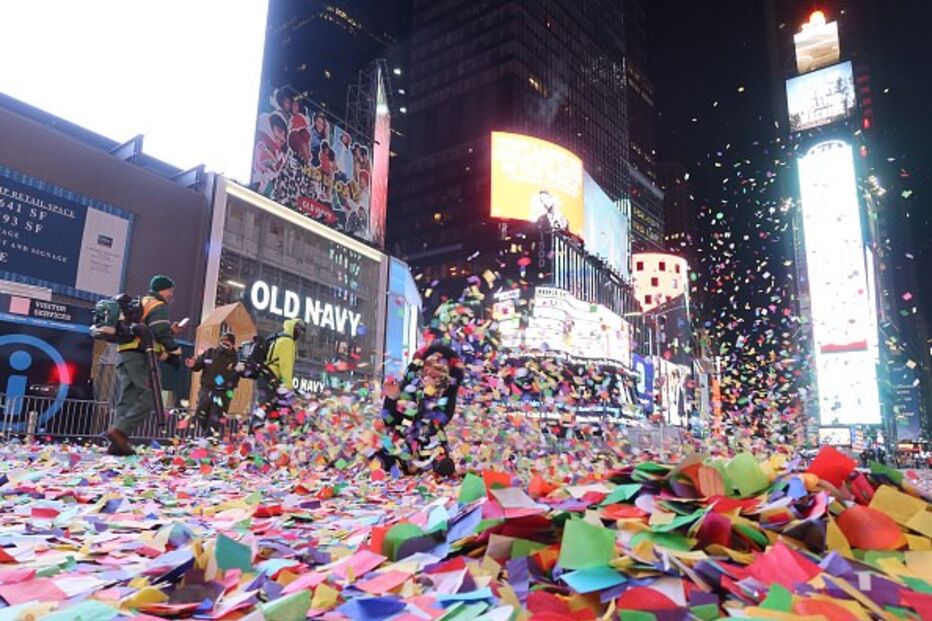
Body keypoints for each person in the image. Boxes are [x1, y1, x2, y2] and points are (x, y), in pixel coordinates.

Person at [106, 275, 183, 456]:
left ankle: (117, 445)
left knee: (128, 398)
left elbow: (149, 330)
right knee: (151, 396)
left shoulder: (142, 302)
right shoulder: (158, 305)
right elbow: (160, 331)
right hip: (140, 357)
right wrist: (175, 350)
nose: (172, 294)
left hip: (125, 354)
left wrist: (170, 331)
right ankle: (120, 432)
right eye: (171, 290)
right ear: (162, 290)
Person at [377, 343, 464, 477]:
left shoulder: (445, 394)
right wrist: (392, 399)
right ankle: (388, 463)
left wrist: (428, 400)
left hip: (429, 439)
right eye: (427, 365)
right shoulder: (410, 386)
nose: (429, 371)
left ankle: (439, 465)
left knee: (436, 455)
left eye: (436, 367)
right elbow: (392, 418)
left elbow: (441, 418)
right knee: (385, 456)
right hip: (401, 439)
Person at [252, 318, 306, 429]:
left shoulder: (278, 338)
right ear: (293, 327)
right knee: (264, 409)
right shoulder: (287, 342)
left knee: (270, 410)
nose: (300, 333)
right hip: (271, 379)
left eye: (302, 331)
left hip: (265, 378)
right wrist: (289, 386)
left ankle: (266, 437)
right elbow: (285, 366)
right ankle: (253, 434)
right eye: (299, 329)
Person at [185, 331, 239, 436]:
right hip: (206, 389)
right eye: (222, 340)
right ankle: (206, 433)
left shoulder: (235, 357)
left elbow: (235, 374)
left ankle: (209, 438)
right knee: (201, 413)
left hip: (223, 392)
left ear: (232, 344)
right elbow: (198, 365)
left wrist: (226, 384)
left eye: (227, 341)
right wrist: (193, 364)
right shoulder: (210, 353)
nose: (224, 342)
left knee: (216, 416)